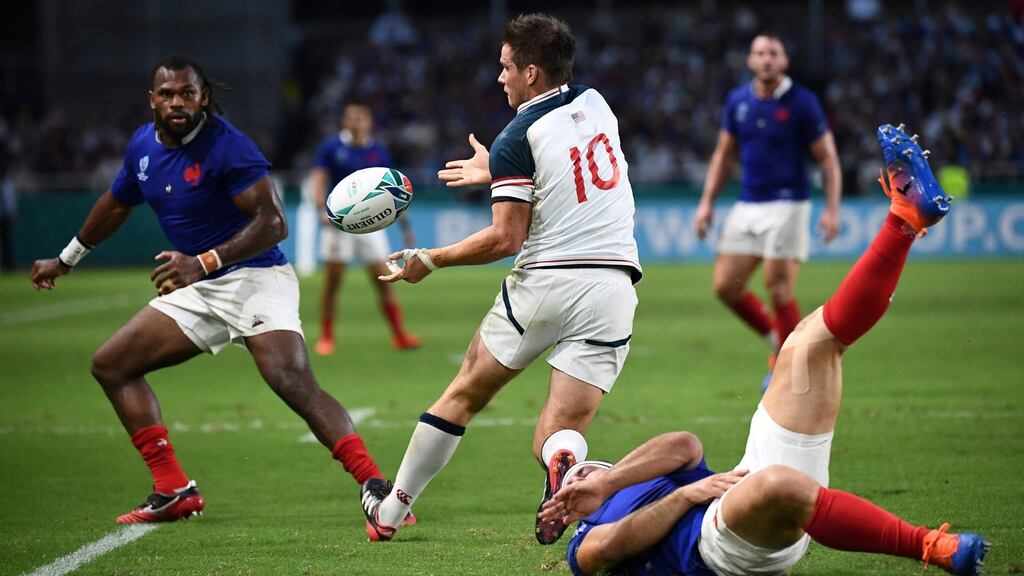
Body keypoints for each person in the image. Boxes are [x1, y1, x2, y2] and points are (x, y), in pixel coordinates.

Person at [540, 126, 988, 575]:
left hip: (742, 485)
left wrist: (610, 480)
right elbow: (613, 546)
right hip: (719, 548)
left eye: (584, 471)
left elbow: (685, 445)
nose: (580, 477)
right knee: (777, 484)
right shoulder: (584, 542)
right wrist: (687, 495)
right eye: (572, 486)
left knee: (809, 344)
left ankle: (903, 220)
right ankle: (934, 547)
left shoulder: (632, 479)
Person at [28, 55, 392, 524]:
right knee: (112, 366)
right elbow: (116, 204)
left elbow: (274, 222)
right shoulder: (142, 146)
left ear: (205, 98)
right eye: (167, 94)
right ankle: (173, 488)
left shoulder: (228, 147)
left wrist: (203, 262)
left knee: (291, 381)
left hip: (255, 277)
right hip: (198, 283)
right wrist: (66, 259)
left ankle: (376, 488)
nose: (177, 102)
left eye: (187, 93)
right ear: (152, 100)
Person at [359, 13, 641, 544]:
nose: (500, 76)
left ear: (532, 73)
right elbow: (568, 165)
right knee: (556, 435)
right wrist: (500, 172)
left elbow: (505, 239)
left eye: (507, 67)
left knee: (464, 393)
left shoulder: (515, 137)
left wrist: (431, 259)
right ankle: (563, 467)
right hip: (614, 287)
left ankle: (389, 513)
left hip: (547, 282)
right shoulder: (596, 103)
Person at [693, 33, 842, 385]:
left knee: (778, 286)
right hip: (748, 203)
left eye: (773, 53)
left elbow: (828, 158)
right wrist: (707, 202)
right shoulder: (738, 101)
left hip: (790, 203)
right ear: (750, 61)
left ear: (784, 61)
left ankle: (789, 368)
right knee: (725, 286)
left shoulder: (803, 102)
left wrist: (832, 209)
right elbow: (723, 155)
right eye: (760, 53)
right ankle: (781, 341)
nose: (766, 59)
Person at [311, 102, 419, 355]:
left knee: (383, 278)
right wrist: (321, 210)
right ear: (344, 121)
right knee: (333, 281)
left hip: (370, 225)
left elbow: (394, 191)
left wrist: (405, 226)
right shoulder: (331, 147)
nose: (356, 123)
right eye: (351, 118)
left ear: (369, 122)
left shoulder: (378, 150)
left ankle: (399, 335)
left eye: (360, 118)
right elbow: (319, 179)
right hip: (339, 225)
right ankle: (326, 337)